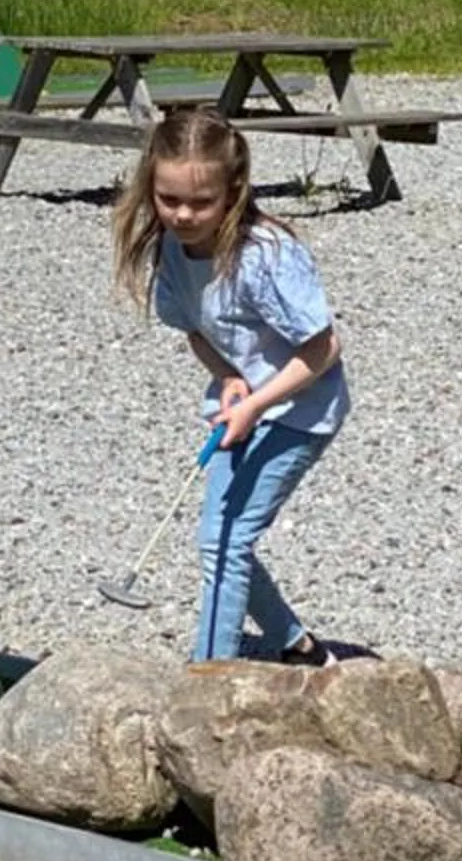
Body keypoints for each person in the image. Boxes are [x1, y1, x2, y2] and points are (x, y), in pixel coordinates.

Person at [112, 104, 347, 666]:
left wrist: (258, 400)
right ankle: (298, 646)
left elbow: (323, 348)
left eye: (201, 202)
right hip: (246, 404)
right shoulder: (172, 246)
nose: (184, 214)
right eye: (169, 200)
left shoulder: (266, 256)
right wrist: (228, 376)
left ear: (234, 190)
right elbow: (194, 329)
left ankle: (207, 674)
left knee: (224, 540)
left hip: (300, 408)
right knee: (223, 536)